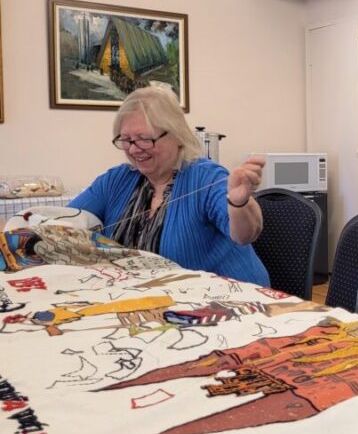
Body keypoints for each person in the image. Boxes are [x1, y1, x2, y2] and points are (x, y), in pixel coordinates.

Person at [69, 86, 269, 286]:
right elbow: (63, 222)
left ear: (177, 135)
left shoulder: (206, 178)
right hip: (145, 301)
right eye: (126, 140)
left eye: (144, 139)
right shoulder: (116, 180)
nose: (133, 149)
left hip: (226, 301)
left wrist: (239, 203)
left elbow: (245, 234)